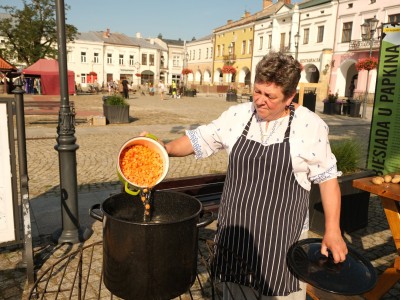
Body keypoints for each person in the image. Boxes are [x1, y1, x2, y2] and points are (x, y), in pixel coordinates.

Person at [151, 51, 348, 299]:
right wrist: (165, 149)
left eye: (270, 96)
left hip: (282, 238)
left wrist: (332, 231)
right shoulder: (238, 115)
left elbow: (328, 180)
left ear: (290, 96)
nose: (260, 100)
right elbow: (198, 139)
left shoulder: (309, 126)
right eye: (257, 91)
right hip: (236, 236)